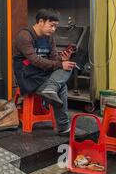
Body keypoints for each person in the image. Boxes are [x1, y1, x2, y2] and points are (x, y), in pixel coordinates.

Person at [13, 8, 85, 137]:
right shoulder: (24, 36)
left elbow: (53, 60)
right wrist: (59, 64)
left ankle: (50, 89)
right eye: (51, 25)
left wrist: (62, 59)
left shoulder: (49, 38)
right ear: (41, 21)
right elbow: (35, 60)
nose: (53, 29)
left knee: (68, 66)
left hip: (43, 75)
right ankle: (63, 127)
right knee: (62, 86)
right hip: (28, 77)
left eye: (55, 27)